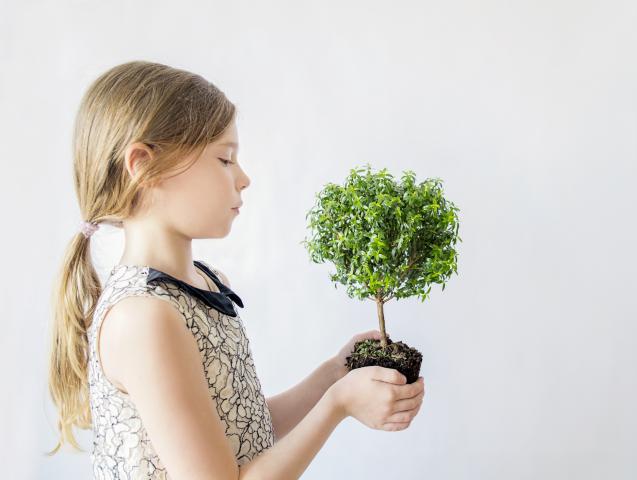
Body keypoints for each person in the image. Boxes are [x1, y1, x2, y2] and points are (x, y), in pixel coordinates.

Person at [46, 60, 426, 479]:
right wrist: (337, 405)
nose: (243, 178)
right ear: (144, 166)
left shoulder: (205, 284)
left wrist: (332, 375)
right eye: (225, 160)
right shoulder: (143, 318)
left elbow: (243, 432)